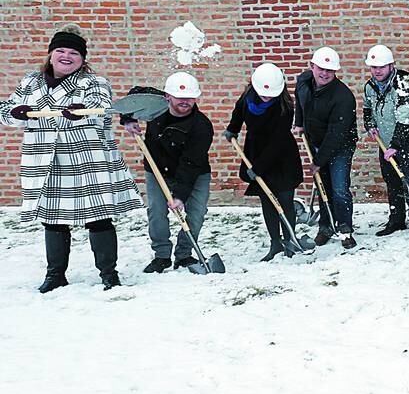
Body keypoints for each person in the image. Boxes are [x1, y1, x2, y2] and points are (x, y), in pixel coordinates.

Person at [1, 26, 143, 292]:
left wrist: (82, 111)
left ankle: (109, 274)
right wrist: (16, 113)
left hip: (86, 157)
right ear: (51, 54)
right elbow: (4, 110)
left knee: (98, 216)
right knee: (53, 218)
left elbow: (100, 106)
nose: (66, 56)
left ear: (82, 59)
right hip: (45, 158)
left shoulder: (94, 82)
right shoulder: (30, 82)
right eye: (61, 51)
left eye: (73, 53)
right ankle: (55, 275)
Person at [123, 72, 214, 273]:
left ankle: (184, 255)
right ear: (167, 96)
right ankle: (162, 256)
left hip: (194, 173)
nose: (185, 101)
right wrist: (127, 119)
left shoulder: (201, 126)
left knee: (196, 213)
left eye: (190, 97)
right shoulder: (154, 107)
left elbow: (190, 163)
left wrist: (179, 196)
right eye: (180, 97)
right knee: (156, 212)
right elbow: (132, 98)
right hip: (156, 169)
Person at [224, 63, 304, 261]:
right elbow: (238, 112)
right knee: (267, 201)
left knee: (284, 201)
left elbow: (277, 141)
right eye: (264, 93)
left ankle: (290, 242)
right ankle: (275, 243)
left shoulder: (285, 107)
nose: (267, 97)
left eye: (271, 94)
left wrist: (258, 167)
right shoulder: (247, 98)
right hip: (256, 150)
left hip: (281, 157)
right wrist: (233, 129)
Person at [294, 46, 359, 248]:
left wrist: (318, 162)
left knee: (339, 188)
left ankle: (345, 228)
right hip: (316, 140)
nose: (324, 73)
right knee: (323, 187)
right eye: (320, 68)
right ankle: (325, 227)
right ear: (312, 66)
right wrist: (299, 122)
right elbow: (299, 102)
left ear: (335, 72)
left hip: (341, 145)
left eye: (329, 70)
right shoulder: (304, 82)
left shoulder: (343, 97)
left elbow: (336, 134)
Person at [362, 44, 409, 239]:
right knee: (392, 182)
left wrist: (395, 146)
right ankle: (396, 220)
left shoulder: (404, 83)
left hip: (405, 142)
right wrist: (369, 125)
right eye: (373, 67)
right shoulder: (370, 86)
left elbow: (406, 118)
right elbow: (367, 108)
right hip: (385, 142)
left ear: (391, 65)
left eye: (381, 66)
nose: (377, 71)